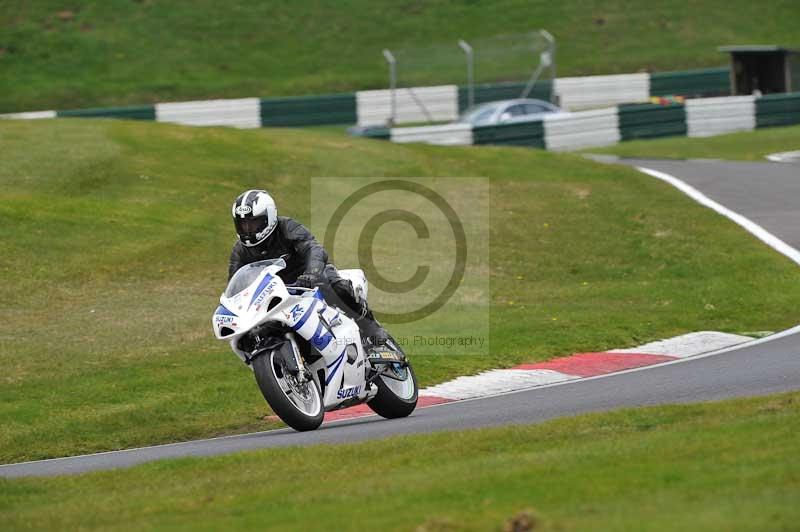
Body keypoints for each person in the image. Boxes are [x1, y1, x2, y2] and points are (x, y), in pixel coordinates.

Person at [228, 189, 389, 345]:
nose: (248, 229)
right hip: (275, 295)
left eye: (253, 222)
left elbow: (313, 248)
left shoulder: (287, 227)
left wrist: (312, 274)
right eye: (243, 224)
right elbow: (236, 286)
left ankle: (368, 324)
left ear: (268, 217)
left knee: (335, 286)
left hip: (308, 280)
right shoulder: (240, 251)